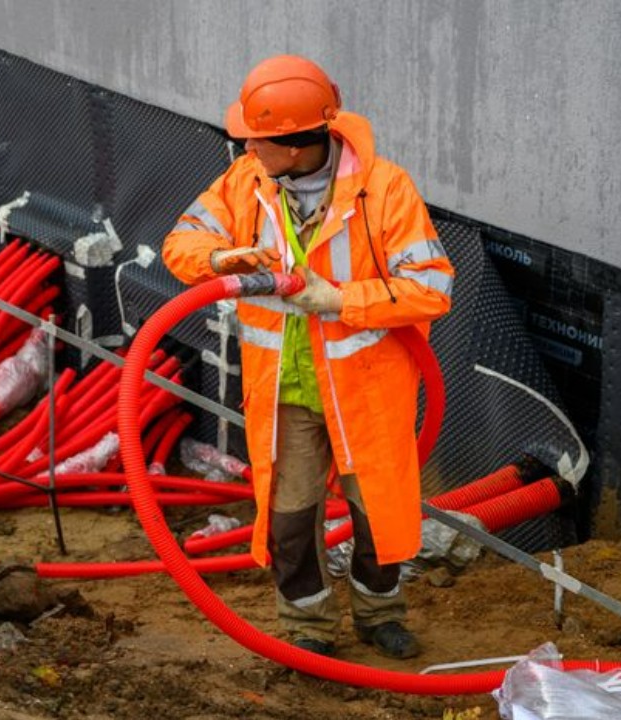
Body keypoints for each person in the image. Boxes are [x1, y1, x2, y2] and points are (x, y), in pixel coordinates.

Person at [162, 55, 454, 659]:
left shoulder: (384, 190)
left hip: (366, 390)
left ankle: (379, 615)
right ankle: (309, 627)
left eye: (253, 139)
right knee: (291, 518)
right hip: (284, 390)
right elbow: (182, 240)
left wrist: (342, 299)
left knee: (378, 516)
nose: (242, 147)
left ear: (293, 146)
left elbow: (432, 285)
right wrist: (221, 259)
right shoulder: (248, 183)